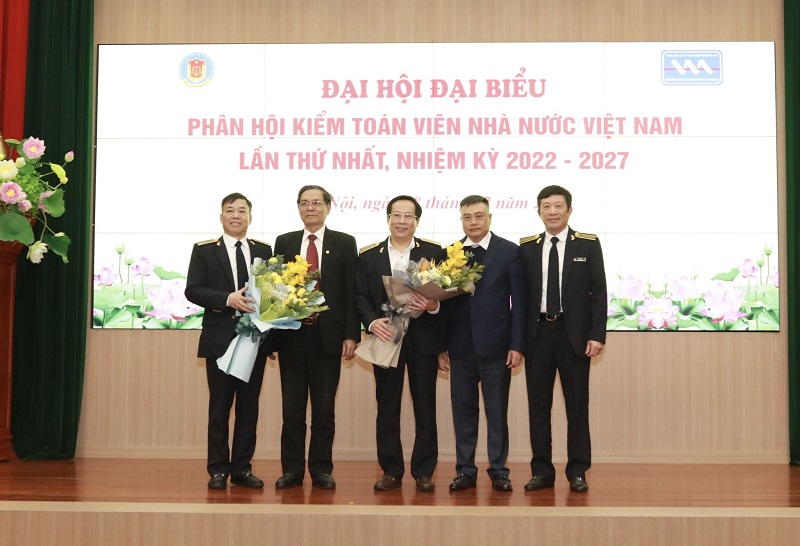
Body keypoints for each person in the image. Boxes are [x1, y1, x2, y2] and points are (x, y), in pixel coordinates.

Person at [518, 185, 607, 493]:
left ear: (569, 210)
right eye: (546, 206)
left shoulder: (588, 244)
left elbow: (599, 292)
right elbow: (520, 297)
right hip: (538, 335)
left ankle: (578, 471)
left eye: (558, 206)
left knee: (577, 406)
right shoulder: (526, 248)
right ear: (539, 211)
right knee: (538, 407)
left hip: (575, 336)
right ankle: (542, 471)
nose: (552, 211)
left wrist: (597, 334)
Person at [272, 185, 360, 490]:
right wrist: (272, 333)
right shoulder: (284, 242)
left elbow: (351, 291)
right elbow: (274, 291)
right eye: (304, 203)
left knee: (324, 410)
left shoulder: (344, 243)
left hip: (329, 338)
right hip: (292, 338)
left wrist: (351, 334)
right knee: (292, 410)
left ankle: (321, 469)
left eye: (316, 203)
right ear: (298, 208)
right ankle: (292, 470)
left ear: (328, 207)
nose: (310, 208)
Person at [354, 195, 445, 492]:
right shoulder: (369, 255)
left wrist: (432, 305)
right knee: (387, 407)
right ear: (388, 218)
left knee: (425, 407)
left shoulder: (434, 252)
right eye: (397, 215)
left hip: (423, 340)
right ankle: (391, 470)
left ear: (416, 220)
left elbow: (447, 297)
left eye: (408, 216)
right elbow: (360, 296)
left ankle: (424, 471)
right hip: (386, 338)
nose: (402, 221)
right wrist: (371, 323)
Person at [185, 192, 273, 490]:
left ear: (250, 217)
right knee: (220, 407)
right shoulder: (205, 250)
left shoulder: (264, 250)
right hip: (220, 338)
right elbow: (193, 290)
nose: (236, 215)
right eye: (230, 210)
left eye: (242, 211)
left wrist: (271, 337)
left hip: (254, 339)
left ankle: (242, 468)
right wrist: (227, 299)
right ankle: (218, 469)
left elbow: (272, 295)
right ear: (221, 216)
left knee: (249, 408)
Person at [438, 195, 526, 492]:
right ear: (461, 220)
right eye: (467, 217)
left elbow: (519, 303)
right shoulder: (451, 253)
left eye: (478, 216)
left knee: (496, 412)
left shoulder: (509, 251)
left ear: (490, 217)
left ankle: (499, 470)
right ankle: (465, 470)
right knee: (463, 413)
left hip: (497, 347)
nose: (473, 222)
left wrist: (517, 344)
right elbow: (443, 305)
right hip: (460, 347)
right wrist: (441, 347)